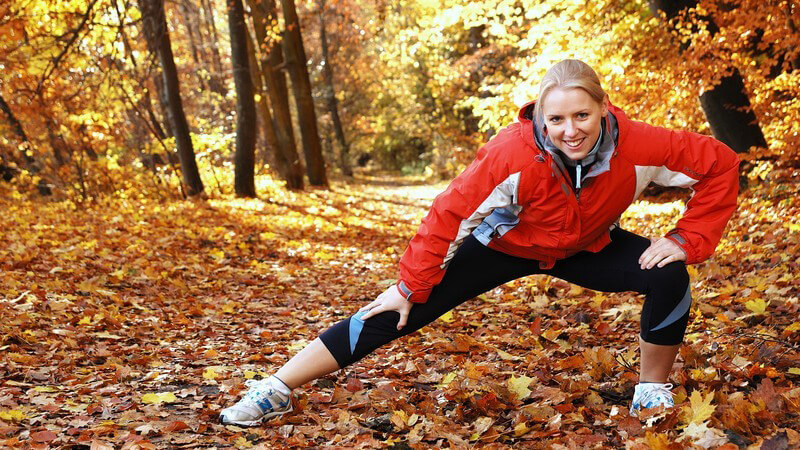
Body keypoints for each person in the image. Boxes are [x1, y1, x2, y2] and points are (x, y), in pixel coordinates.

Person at [219, 59, 740, 426]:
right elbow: (450, 211)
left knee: (671, 273)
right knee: (402, 306)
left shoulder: (642, 144)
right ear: (539, 117)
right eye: (555, 119)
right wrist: (409, 283)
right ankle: (277, 388)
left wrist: (687, 237)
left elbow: (721, 164)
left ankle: (651, 390)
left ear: (603, 109)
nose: (570, 130)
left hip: (586, 247)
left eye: (581, 115)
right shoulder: (510, 153)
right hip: (505, 245)